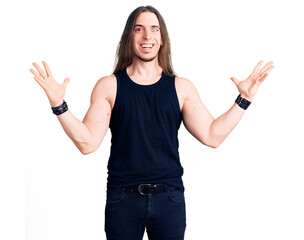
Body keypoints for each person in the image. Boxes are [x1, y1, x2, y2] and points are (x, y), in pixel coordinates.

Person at [29, 5, 274, 240]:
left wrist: (245, 98)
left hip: (169, 199)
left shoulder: (181, 88)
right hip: (123, 198)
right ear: (129, 37)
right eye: (139, 28)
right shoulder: (109, 86)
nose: (147, 35)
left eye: (154, 29)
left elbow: (213, 135)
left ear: (163, 39)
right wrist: (59, 105)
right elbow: (87, 143)